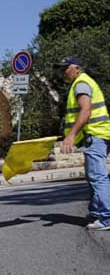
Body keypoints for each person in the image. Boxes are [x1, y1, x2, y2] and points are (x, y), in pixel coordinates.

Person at [53, 56, 110, 230]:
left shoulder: (81, 84)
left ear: (77, 68)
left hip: (94, 135)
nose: (63, 72)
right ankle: (96, 212)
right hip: (98, 134)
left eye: (66, 68)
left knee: (97, 176)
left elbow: (86, 110)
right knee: (93, 175)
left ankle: (106, 217)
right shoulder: (82, 83)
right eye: (61, 69)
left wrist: (71, 136)